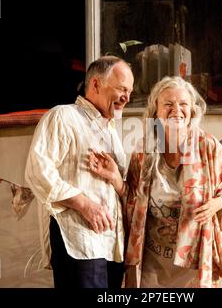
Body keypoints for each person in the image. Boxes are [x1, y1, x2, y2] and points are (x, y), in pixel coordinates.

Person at [89, 76, 222, 288]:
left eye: (183, 104)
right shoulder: (146, 150)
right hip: (152, 263)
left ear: (192, 111)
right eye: (168, 104)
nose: (177, 110)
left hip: (193, 263)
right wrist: (116, 178)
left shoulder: (206, 146)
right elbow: (133, 202)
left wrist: (218, 203)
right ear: (156, 111)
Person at [25, 56, 134, 288]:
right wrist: (84, 204)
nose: (127, 98)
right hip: (80, 241)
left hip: (111, 245)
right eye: (122, 89)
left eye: (130, 91)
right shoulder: (63, 116)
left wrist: (115, 178)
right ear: (95, 84)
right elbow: (37, 171)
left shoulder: (112, 130)